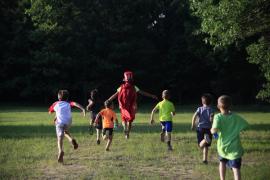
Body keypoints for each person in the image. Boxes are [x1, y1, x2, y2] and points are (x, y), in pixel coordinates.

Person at [107, 71, 158, 139]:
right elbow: (142, 93)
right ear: (131, 80)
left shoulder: (121, 87)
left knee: (123, 119)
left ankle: (125, 128)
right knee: (130, 120)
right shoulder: (134, 87)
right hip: (131, 107)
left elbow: (115, 95)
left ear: (125, 80)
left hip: (123, 106)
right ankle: (127, 133)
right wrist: (151, 96)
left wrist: (108, 100)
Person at [211, 95, 249, 180]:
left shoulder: (218, 117)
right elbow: (246, 126)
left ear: (218, 106)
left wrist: (212, 132)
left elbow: (214, 130)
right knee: (236, 169)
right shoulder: (236, 117)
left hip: (223, 147)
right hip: (235, 148)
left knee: (222, 163)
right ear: (230, 106)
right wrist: (239, 129)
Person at [48, 90, 86, 163]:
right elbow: (75, 103)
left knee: (59, 138)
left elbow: (50, 112)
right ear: (67, 98)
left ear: (58, 98)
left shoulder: (55, 104)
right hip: (68, 122)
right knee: (65, 132)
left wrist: (56, 114)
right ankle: (71, 140)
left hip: (59, 123)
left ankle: (60, 151)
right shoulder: (68, 103)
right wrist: (83, 109)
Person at [191, 93, 214, 164]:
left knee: (200, 145)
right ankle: (205, 159)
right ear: (210, 102)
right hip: (208, 128)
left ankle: (204, 140)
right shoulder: (211, 110)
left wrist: (193, 125)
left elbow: (194, 116)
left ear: (202, 102)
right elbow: (211, 120)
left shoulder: (199, 109)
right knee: (206, 146)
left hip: (200, 128)